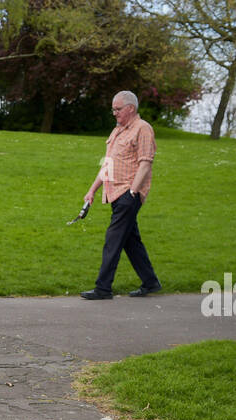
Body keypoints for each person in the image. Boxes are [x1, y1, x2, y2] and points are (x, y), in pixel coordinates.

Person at [80, 90, 161, 300]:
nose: (114, 113)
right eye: (113, 109)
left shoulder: (143, 129)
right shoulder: (117, 131)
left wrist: (133, 192)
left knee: (113, 239)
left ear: (130, 108)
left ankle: (103, 288)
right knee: (130, 240)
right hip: (115, 194)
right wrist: (92, 190)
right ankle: (151, 282)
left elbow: (145, 163)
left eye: (117, 109)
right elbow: (108, 164)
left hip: (128, 194)